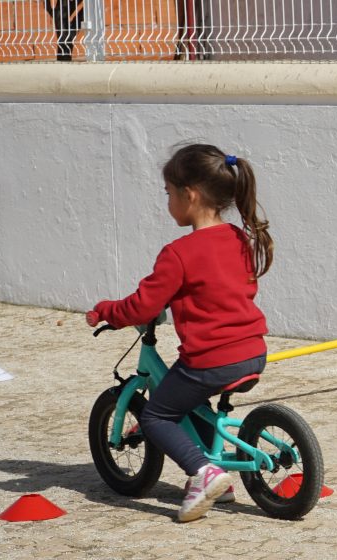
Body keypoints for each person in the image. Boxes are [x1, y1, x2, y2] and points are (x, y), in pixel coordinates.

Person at [86, 144, 273, 521]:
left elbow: (143, 307)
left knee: (157, 415)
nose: (167, 202)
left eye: (168, 194)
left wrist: (106, 311)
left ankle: (204, 473)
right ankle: (222, 483)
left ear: (190, 195)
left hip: (211, 360)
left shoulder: (179, 253)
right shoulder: (238, 237)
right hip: (253, 351)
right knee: (190, 401)